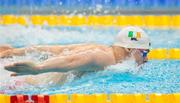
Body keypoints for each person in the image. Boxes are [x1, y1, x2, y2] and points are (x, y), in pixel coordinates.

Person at [0, 26, 151, 77]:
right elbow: (70, 61)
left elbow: (55, 50)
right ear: (129, 49)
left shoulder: (99, 48)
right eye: (144, 53)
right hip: (22, 82)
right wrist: (38, 69)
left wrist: (12, 52)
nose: (146, 59)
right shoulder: (103, 59)